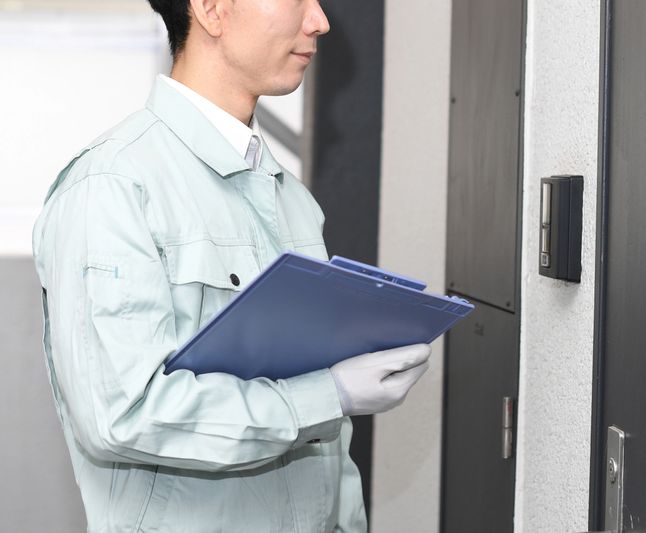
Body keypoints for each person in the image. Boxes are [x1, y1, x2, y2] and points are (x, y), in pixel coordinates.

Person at [31, 0, 431, 531]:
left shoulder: (292, 200)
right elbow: (122, 414)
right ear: (213, 10)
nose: (319, 21)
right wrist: (329, 394)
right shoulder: (113, 186)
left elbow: (328, 446)